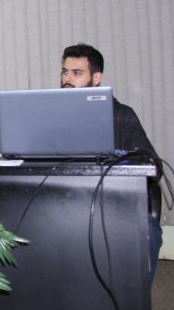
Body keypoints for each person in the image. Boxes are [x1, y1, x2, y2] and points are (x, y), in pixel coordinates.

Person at [61, 43, 162, 278]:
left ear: (96, 78)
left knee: (147, 231)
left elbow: (153, 166)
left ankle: (131, 301)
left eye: (77, 73)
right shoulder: (51, 117)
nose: (67, 79)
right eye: (65, 72)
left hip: (114, 203)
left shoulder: (121, 115)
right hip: (62, 202)